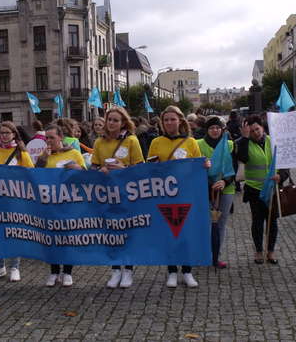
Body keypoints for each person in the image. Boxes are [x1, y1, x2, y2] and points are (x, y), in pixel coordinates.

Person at [148, 105, 208, 288]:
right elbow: (150, 167)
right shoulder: (156, 142)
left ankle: (187, 271)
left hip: (186, 193)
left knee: (186, 233)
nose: (169, 123)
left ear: (180, 121)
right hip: (165, 194)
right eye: (166, 120)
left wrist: (205, 165)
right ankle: (172, 271)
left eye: (172, 119)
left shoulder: (190, 142)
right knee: (169, 234)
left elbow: (198, 166)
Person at [91, 107, 144, 288]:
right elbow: (93, 167)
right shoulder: (99, 142)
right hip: (106, 193)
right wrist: (100, 170)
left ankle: (128, 269)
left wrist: (123, 169)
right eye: (109, 120)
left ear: (123, 123)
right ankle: (115, 270)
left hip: (127, 192)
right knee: (111, 232)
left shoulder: (131, 140)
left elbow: (140, 168)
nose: (112, 123)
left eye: (116, 120)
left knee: (127, 231)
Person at [35, 124, 85, 287]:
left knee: (68, 238)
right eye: (46, 138)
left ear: (61, 138)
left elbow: (85, 175)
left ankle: (67, 272)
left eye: (52, 137)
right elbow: (36, 176)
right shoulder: (44, 155)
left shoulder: (74, 153)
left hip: (69, 202)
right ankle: (54, 271)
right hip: (50, 203)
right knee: (51, 239)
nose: (49, 141)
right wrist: (42, 159)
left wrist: (77, 168)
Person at [0, 121, 34, 282]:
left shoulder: (21, 152)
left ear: (14, 134)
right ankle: (0, 266)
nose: (4, 136)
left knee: (15, 233)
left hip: (15, 198)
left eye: (7, 133)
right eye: (2, 133)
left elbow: (31, 173)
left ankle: (15, 267)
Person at [236, 115, 280, 265]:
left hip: (272, 188)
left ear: (262, 128)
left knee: (272, 221)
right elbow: (242, 158)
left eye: (257, 129)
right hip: (254, 189)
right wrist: (244, 138)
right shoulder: (244, 143)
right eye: (252, 131)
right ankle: (259, 251)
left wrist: (281, 176)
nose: (255, 133)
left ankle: (271, 251)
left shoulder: (272, 141)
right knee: (257, 222)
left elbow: (283, 162)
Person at [197, 116, 235, 269]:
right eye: (212, 128)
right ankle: (205, 254)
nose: (215, 130)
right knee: (206, 223)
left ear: (222, 129)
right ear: (207, 130)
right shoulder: (198, 144)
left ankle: (216, 256)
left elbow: (234, 167)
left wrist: (225, 181)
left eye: (218, 128)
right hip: (205, 189)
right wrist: (209, 183)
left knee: (221, 223)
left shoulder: (230, 144)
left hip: (226, 189)